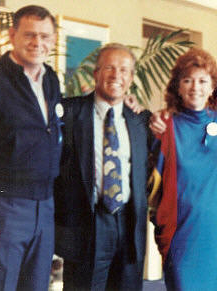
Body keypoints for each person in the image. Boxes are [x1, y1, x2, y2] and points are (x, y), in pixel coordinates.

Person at [53, 43, 152, 290]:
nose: (116, 75)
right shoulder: (68, 113)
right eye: (109, 67)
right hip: (86, 225)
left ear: (130, 78)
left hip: (129, 225)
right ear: (96, 73)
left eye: (123, 70)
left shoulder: (141, 120)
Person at [150, 48, 217, 290]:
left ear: (214, 86)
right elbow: (152, 187)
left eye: (202, 81)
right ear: (177, 87)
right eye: (187, 80)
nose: (195, 87)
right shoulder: (166, 124)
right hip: (182, 234)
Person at [0, 5, 62, 290]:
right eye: (30, 35)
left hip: (45, 207)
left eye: (45, 36)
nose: (37, 43)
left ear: (53, 40)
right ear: (12, 35)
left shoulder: (51, 80)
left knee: (36, 286)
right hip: (5, 207)